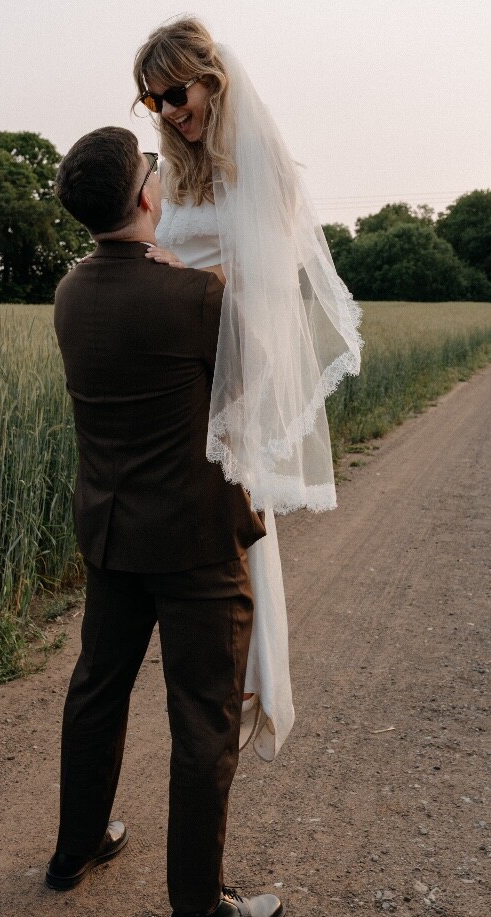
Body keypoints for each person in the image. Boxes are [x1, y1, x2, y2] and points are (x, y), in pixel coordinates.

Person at [45, 126, 286, 917]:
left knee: (96, 689)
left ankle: (75, 848)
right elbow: (261, 385)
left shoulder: (69, 293)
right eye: (152, 171)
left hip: (112, 534)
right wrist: (209, 283)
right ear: (147, 197)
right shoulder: (196, 298)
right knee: (203, 718)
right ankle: (195, 911)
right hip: (193, 544)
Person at [132, 17, 363, 760]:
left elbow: (266, 286)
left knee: (234, 530)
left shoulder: (263, 162)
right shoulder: (172, 172)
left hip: (235, 369)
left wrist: (190, 279)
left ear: (212, 79)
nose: (168, 113)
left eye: (175, 93)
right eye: (153, 102)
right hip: (172, 373)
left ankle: (244, 692)